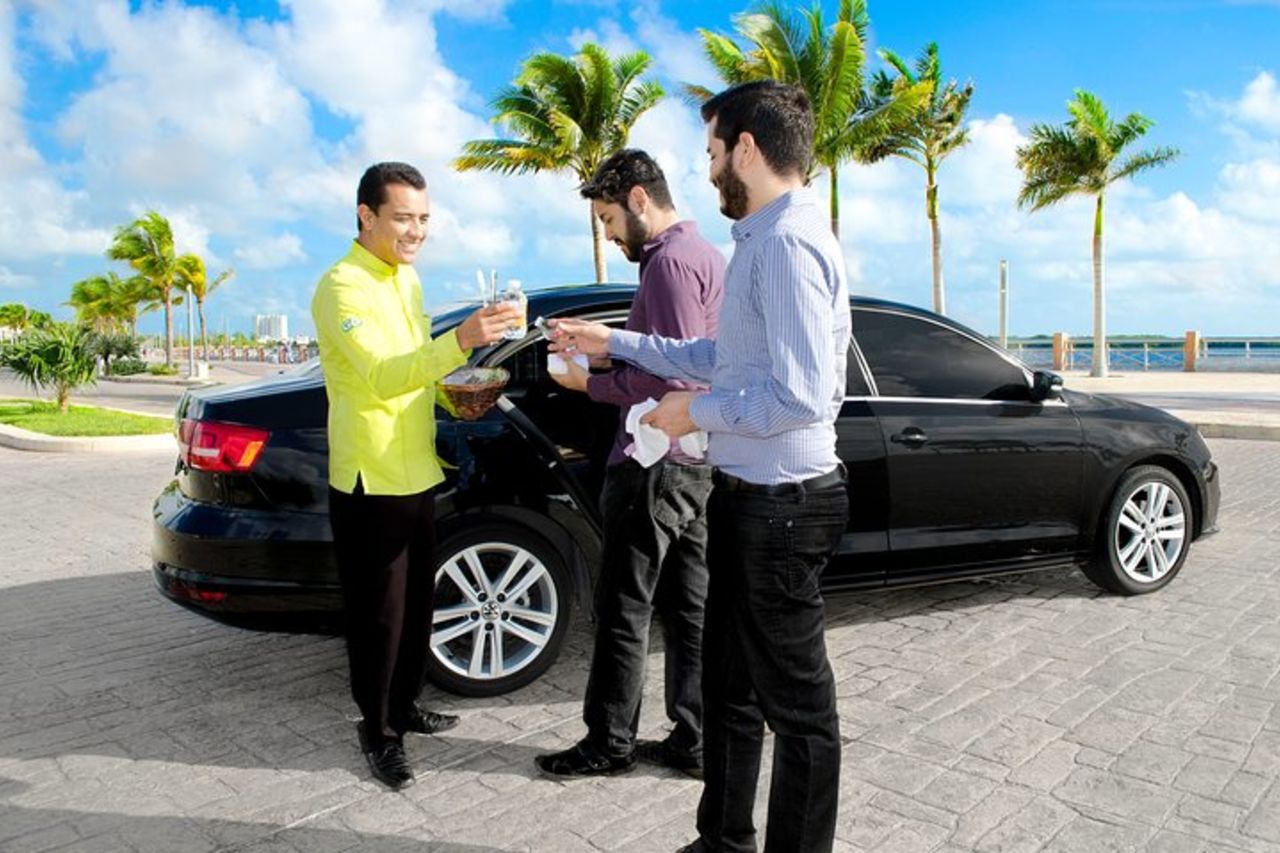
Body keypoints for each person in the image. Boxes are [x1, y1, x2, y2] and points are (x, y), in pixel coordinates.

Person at [550, 82, 850, 852]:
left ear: (746, 149)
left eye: (713, 150)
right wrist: (615, 342)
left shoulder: (786, 244)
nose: (708, 166)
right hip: (748, 497)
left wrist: (696, 413)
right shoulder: (758, 239)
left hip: (784, 505)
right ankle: (721, 840)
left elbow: (803, 395)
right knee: (728, 690)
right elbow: (721, 355)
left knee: (799, 712)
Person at [311, 161, 521, 790]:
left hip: (417, 469)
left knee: (416, 607)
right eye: (403, 218)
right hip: (370, 477)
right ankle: (378, 732)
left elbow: (418, 370)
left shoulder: (407, 280)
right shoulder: (342, 286)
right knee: (378, 616)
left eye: (424, 219)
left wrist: (458, 389)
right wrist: (460, 339)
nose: (416, 231)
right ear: (366, 215)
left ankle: (403, 706)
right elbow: (381, 375)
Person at [534, 150, 725, 779]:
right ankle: (695, 740)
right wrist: (606, 354)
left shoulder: (668, 263)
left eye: (610, 219)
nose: (610, 235)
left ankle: (608, 743)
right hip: (694, 457)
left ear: (640, 199)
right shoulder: (702, 254)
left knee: (624, 606)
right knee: (690, 608)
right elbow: (678, 356)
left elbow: (673, 373)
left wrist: (586, 384)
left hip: (653, 460)